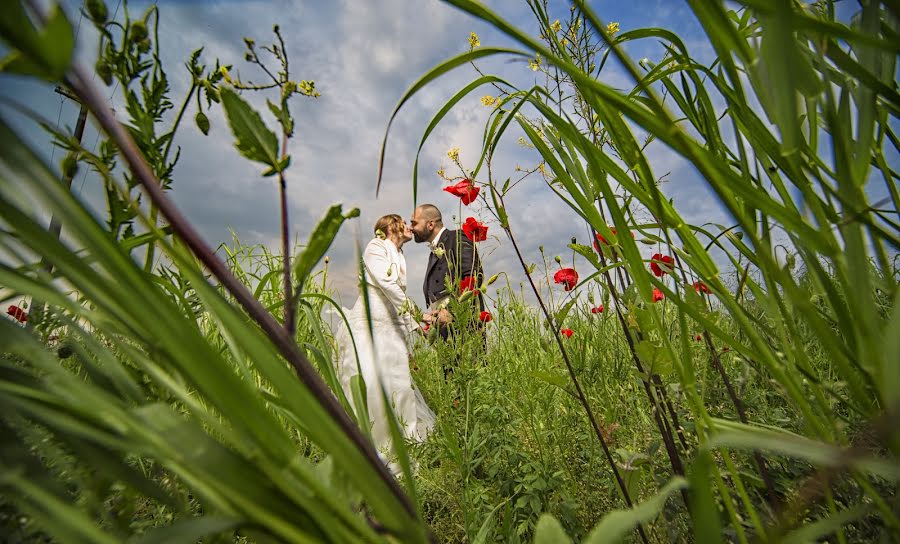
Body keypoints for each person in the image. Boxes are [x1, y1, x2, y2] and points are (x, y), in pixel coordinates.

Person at [333, 214, 435, 474]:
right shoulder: (375, 248)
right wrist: (418, 314)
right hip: (371, 326)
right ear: (391, 227)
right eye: (405, 222)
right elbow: (387, 285)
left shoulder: (399, 254)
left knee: (400, 388)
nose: (411, 227)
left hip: (391, 329)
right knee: (373, 385)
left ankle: (408, 447)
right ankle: (377, 453)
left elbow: (395, 297)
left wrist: (415, 328)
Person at [410, 204, 484, 343]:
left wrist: (452, 312)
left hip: (465, 328)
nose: (411, 228)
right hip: (445, 330)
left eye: (414, 223)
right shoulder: (433, 252)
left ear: (430, 224)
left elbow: (474, 276)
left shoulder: (456, 237)